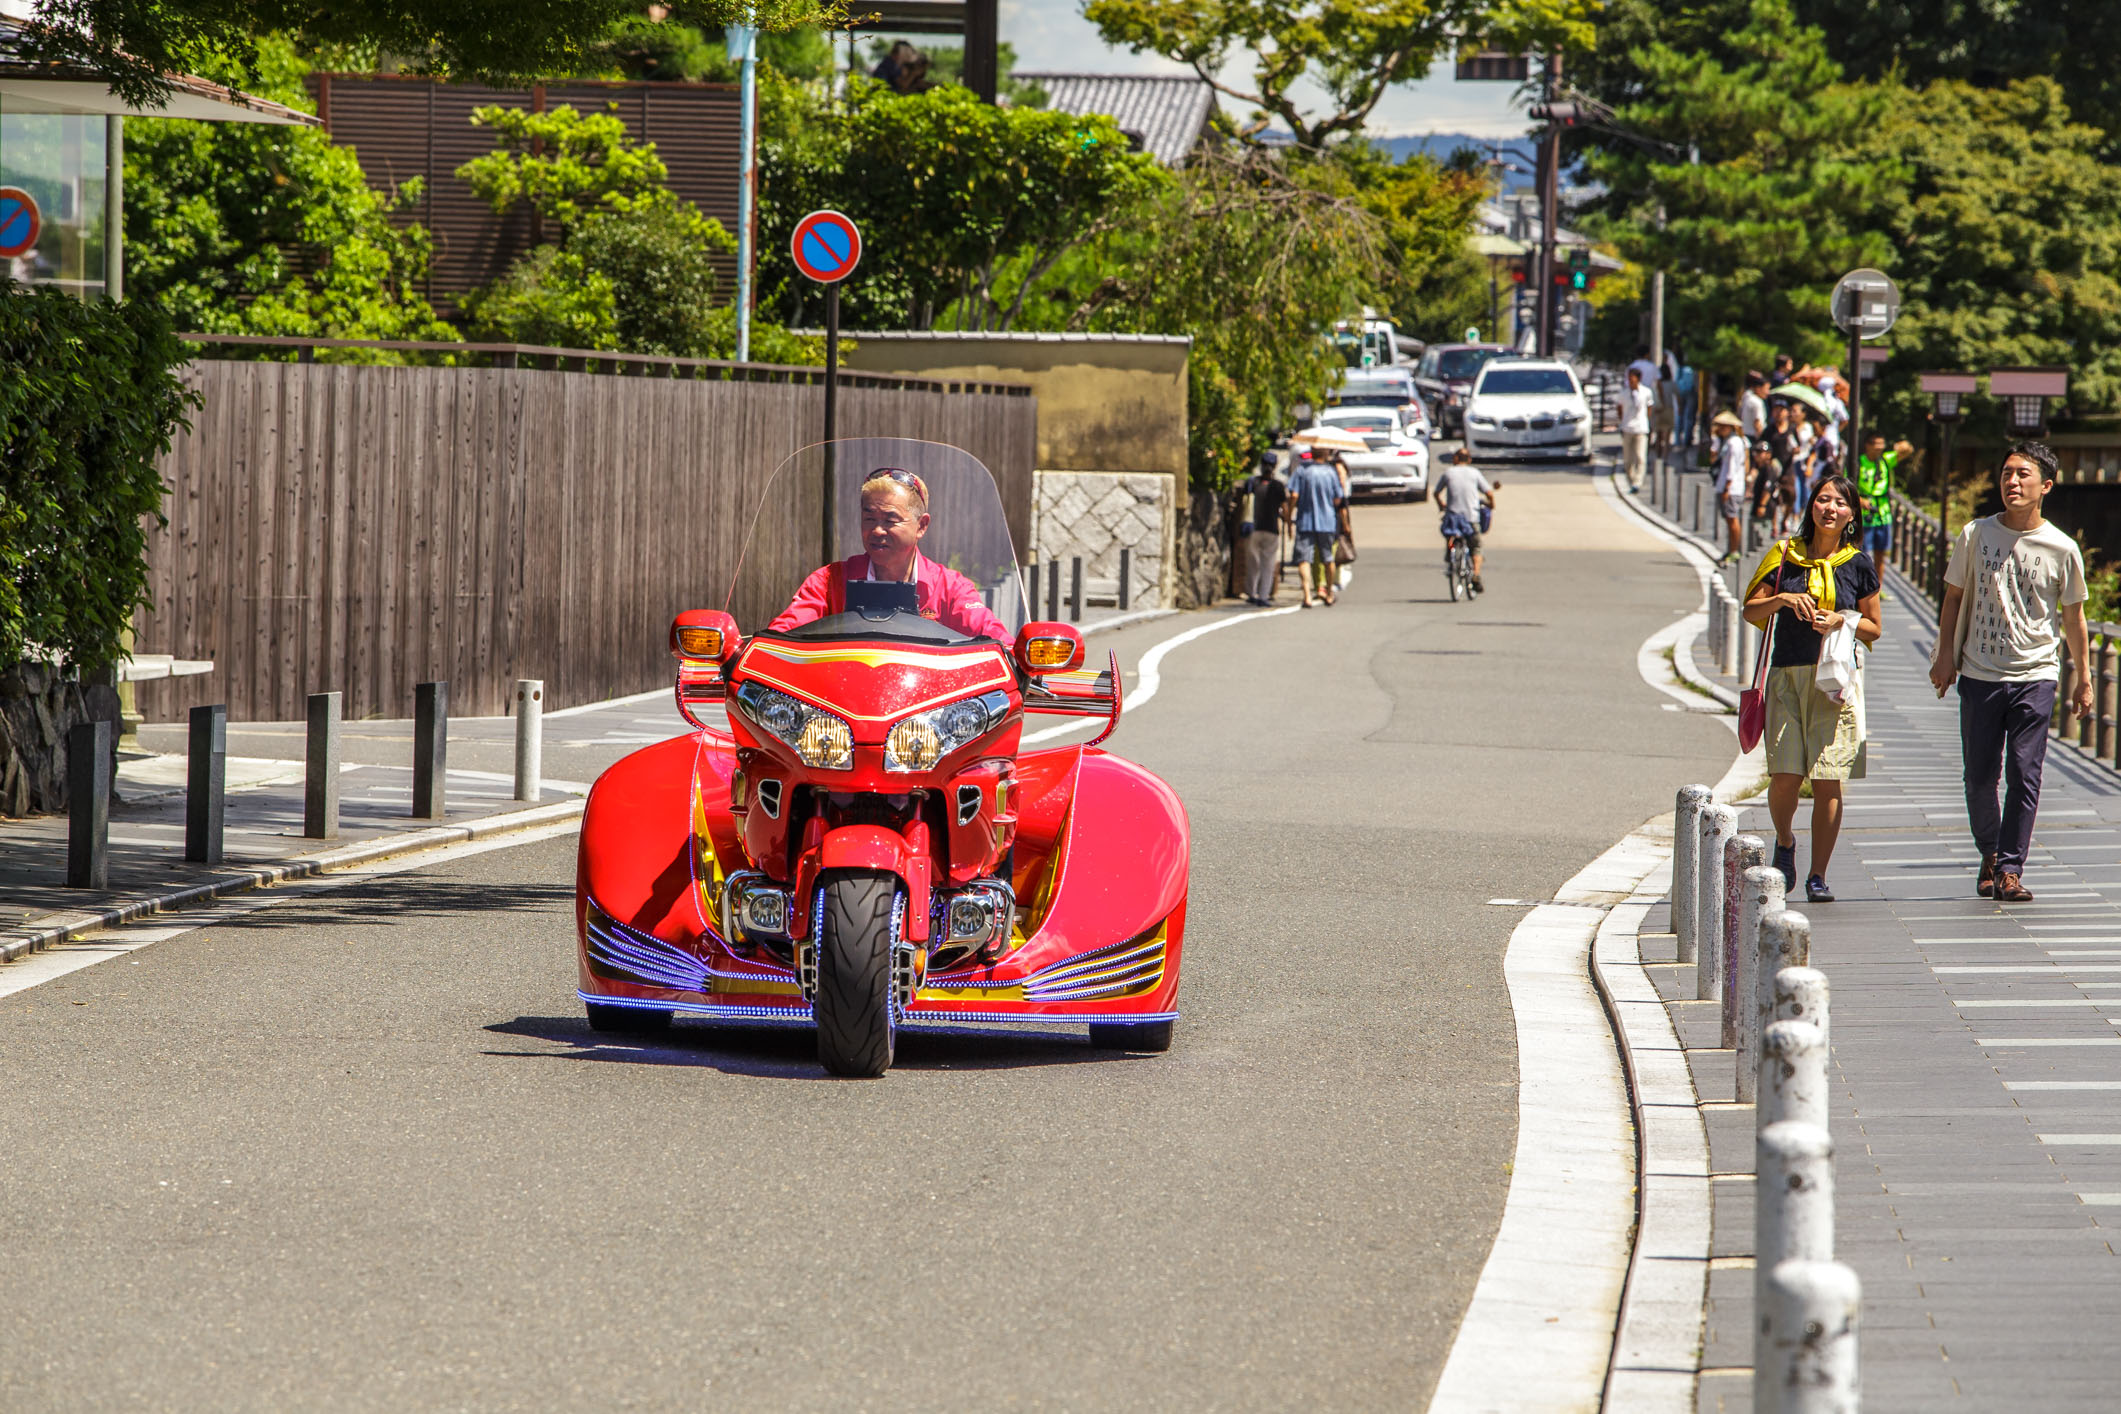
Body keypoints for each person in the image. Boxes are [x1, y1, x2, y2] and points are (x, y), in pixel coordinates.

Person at [1928, 443, 2094, 903]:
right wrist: (1945, 655)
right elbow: (1954, 598)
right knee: (1979, 776)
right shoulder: (1976, 534)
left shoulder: (2062, 547)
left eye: (2023, 474)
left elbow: (2074, 618)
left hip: (2036, 673)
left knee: (2025, 772)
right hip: (1980, 672)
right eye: (2006, 474)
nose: (2012, 482)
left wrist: (2084, 676)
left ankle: (2010, 868)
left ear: (2046, 485)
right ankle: (1991, 852)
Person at [1743, 475, 1884, 903]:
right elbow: (1751, 611)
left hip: (1834, 682)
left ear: (1851, 516)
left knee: (1828, 780)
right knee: (1784, 777)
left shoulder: (1859, 564)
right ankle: (1785, 841)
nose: (1830, 508)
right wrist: (1783, 601)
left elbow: (1875, 629)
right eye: (1823, 500)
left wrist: (1844, 619)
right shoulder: (1785, 555)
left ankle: (1818, 875)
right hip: (1786, 674)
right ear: (1811, 507)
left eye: (1840, 503)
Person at [772, 467, 1009, 638]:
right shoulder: (827, 582)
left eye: (890, 519)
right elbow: (781, 636)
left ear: (921, 526)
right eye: (869, 518)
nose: (876, 530)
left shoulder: (950, 587)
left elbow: (995, 638)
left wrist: (1021, 657)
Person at [1287, 447, 1345, 608]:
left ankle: (1306, 595)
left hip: (1305, 520)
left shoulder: (1302, 471)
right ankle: (1329, 593)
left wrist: (1289, 514)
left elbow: (1293, 495)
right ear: (1326, 454)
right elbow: (1338, 498)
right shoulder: (1331, 472)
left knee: (1303, 559)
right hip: (1327, 521)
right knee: (1328, 558)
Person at [1435, 446, 1495, 593]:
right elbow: (1489, 493)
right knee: (1476, 547)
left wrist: (1442, 505)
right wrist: (1491, 505)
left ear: (1455, 459)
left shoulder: (1448, 473)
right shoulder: (1474, 473)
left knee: (1450, 535)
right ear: (1469, 459)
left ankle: (1450, 557)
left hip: (1452, 517)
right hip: (1471, 517)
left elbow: (1436, 493)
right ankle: (1475, 574)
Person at [1853, 431, 1913, 559]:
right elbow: (1846, 488)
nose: (1879, 447)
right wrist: (1859, 500)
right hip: (1864, 516)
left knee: (1881, 553)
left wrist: (1901, 446)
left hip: (1883, 514)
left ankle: (1878, 580)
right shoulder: (1857, 462)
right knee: (1861, 553)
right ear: (1867, 445)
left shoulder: (1885, 460)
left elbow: (1908, 450)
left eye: (1882, 444)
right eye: (1876, 444)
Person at [1240, 451, 1287, 606]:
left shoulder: (1252, 483)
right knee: (1268, 564)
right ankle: (1263, 596)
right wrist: (1287, 521)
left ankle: (1251, 593)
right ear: (1274, 467)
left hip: (1252, 528)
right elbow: (1285, 509)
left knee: (1253, 563)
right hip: (1271, 529)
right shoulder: (1278, 486)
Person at [1709, 410, 1747, 563]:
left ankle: (1734, 550)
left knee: (1732, 519)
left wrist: (1727, 487)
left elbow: (1732, 466)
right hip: (1726, 484)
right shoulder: (1726, 441)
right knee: (1729, 519)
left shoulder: (1734, 443)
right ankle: (1730, 549)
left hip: (1731, 487)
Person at [1619, 365, 1654, 491]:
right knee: (1628, 459)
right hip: (1627, 427)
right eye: (1629, 378)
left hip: (1641, 428)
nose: (1630, 381)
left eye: (1632, 378)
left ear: (1638, 378)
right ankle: (1631, 479)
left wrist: (1646, 421)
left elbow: (1650, 408)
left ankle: (1637, 483)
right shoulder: (1623, 393)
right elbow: (1620, 409)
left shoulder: (1646, 392)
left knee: (1640, 457)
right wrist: (1622, 422)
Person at [1739, 371, 1769, 442]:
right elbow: (1757, 422)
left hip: (1745, 435)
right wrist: (1762, 439)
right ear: (1758, 388)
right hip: (1754, 437)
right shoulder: (1757, 401)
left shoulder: (1746, 397)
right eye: (1766, 389)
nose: (1768, 392)